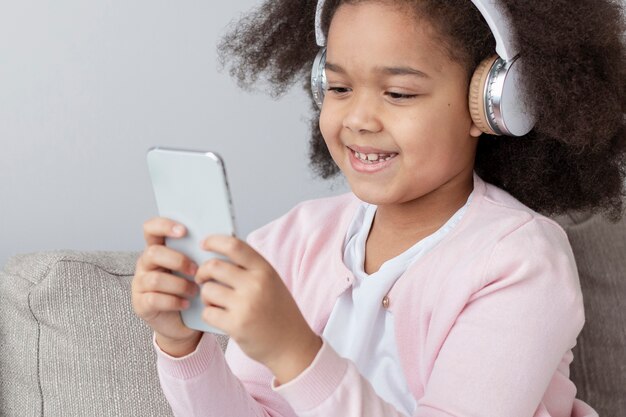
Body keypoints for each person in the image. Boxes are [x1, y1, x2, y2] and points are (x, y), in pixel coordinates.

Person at [131, 0, 625, 416]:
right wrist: (184, 346)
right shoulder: (293, 239)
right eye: (340, 87)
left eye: (398, 93)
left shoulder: (520, 261)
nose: (359, 118)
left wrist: (293, 352)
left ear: (492, 104)